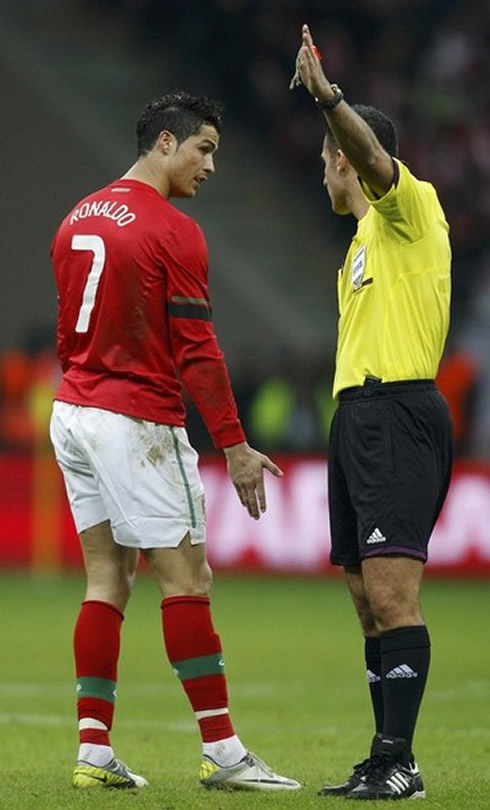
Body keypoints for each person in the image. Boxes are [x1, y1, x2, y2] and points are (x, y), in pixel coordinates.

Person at [49, 91, 300, 793]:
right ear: (165, 142)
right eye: (205, 149)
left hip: (74, 410)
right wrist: (235, 444)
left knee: (107, 580)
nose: (210, 166)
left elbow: (71, 333)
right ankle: (224, 754)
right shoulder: (173, 229)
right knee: (187, 581)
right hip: (137, 421)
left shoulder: (75, 218)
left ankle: (93, 752)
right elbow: (197, 348)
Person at [291, 25, 452, 801]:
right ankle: (383, 754)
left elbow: (377, 163)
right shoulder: (357, 247)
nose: (323, 173)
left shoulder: (409, 210)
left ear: (345, 159)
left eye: (328, 158)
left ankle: (401, 763)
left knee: (393, 595)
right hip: (356, 418)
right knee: (364, 600)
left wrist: (329, 100)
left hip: (398, 412)